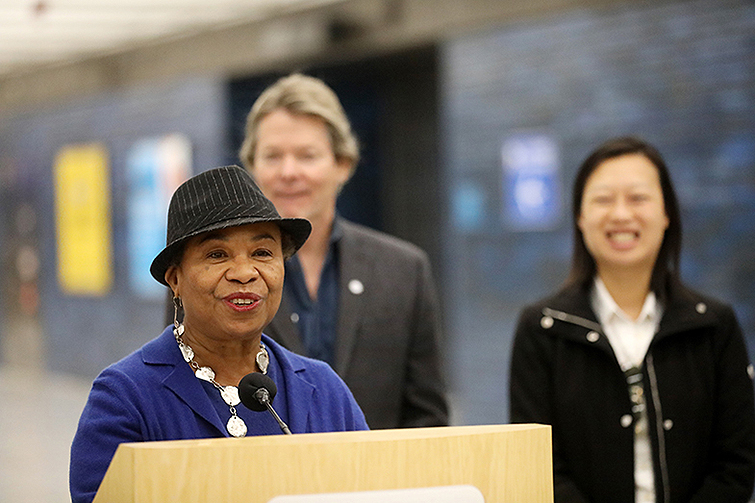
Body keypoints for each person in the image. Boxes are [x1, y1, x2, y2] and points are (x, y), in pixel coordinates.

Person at [70, 166, 368, 503]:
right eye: (217, 255)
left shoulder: (323, 389)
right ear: (175, 280)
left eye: (262, 253)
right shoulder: (125, 397)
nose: (244, 273)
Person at [509, 136, 755, 503]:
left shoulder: (714, 326)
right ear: (580, 216)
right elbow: (539, 466)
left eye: (638, 198)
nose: (621, 214)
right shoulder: (542, 328)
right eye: (604, 199)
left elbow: (737, 463)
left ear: (666, 213)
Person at [238, 73, 448, 429]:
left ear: (343, 164)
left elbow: (426, 419)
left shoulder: (403, 271)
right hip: (255, 482)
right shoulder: (209, 273)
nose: (289, 172)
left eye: (307, 156)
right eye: (273, 156)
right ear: (252, 168)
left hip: (375, 481)